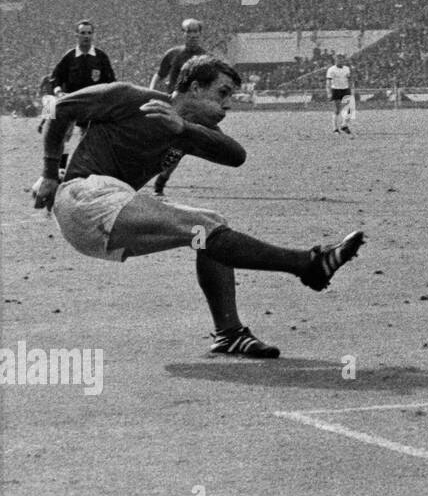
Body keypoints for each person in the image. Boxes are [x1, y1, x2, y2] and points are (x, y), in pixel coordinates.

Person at [32, 55, 365, 359]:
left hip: (108, 217)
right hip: (83, 196)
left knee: (209, 226)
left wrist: (183, 129)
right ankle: (308, 264)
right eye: (222, 93)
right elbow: (60, 110)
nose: (228, 104)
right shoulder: (131, 98)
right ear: (194, 87)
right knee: (206, 230)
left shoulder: (188, 130)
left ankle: (229, 333)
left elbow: (236, 156)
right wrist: (49, 174)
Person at [149, 18, 207, 195]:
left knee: (178, 148)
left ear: (200, 34)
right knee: (159, 145)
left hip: (190, 110)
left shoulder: (205, 58)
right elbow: (159, 75)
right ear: (183, 34)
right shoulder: (173, 54)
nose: (192, 35)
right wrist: (151, 92)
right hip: (170, 105)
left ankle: (161, 183)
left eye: (195, 31)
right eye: (188, 31)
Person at [51, 20, 116, 175]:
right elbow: (55, 78)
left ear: (93, 35)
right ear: (76, 35)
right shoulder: (70, 56)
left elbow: (111, 81)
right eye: (83, 33)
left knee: (87, 140)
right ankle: (61, 169)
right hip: (72, 103)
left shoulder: (100, 57)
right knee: (64, 137)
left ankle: (82, 170)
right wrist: (59, 91)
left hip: (92, 106)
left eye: (89, 33)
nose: (86, 36)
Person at [325, 52, 356, 135]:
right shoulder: (331, 69)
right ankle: (335, 129)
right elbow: (328, 82)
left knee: (350, 108)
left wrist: (351, 89)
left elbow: (349, 79)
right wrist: (329, 92)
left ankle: (344, 125)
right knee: (337, 110)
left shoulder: (347, 68)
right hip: (336, 90)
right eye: (338, 58)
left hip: (345, 89)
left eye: (341, 58)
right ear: (335, 59)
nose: (340, 60)